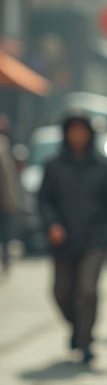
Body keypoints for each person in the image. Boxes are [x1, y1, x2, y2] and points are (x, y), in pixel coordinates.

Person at [39, 111, 107, 364]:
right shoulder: (53, 166)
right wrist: (52, 224)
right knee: (62, 293)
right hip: (63, 241)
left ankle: (85, 341)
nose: (77, 136)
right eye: (72, 130)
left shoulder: (103, 167)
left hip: (94, 239)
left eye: (82, 130)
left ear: (90, 134)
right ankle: (78, 329)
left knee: (87, 290)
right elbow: (44, 200)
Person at [0, 116, 20, 273]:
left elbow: (8, 176)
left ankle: (5, 259)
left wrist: (11, 198)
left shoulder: (4, 143)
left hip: (3, 197)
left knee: (5, 232)